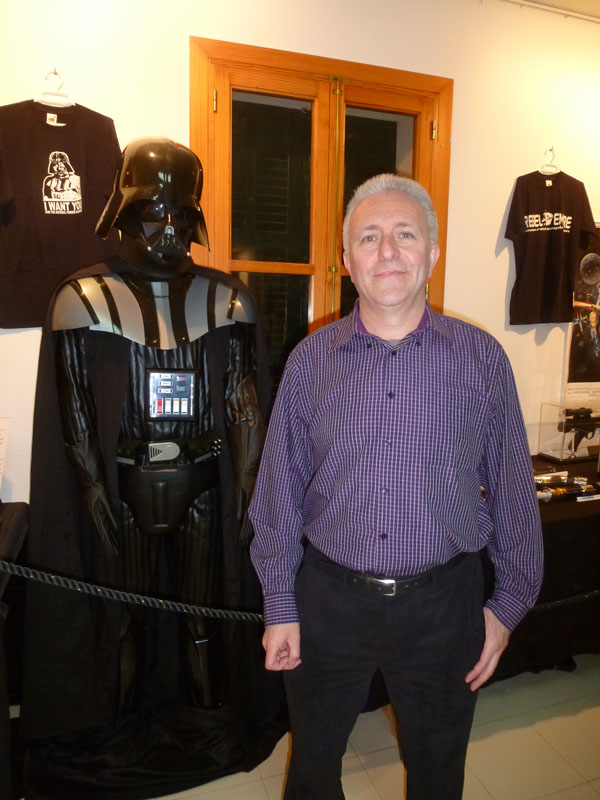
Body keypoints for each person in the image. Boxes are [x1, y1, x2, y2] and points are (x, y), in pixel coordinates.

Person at [249, 174, 543, 799]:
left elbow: (515, 494)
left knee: (438, 774)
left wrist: (507, 606)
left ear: (431, 253)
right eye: (369, 237)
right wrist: (280, 604)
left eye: (405, 235)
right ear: (347, 260)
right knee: (311, 771)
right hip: (328, 604)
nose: (387, 251)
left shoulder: (482, 360)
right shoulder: (308, 363)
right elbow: (277, 496)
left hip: (444, 608)